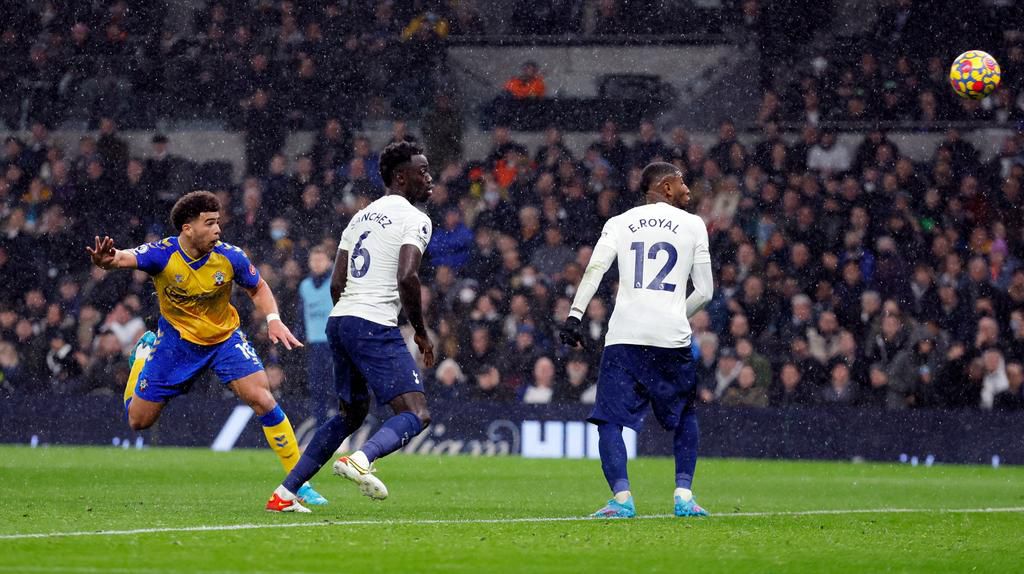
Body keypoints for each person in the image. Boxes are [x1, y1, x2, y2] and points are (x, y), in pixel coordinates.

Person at [86, 191, 326, 505]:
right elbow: (123, 256)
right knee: (139, 421)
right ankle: (143, 357)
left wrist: (273, 319)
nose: (217, 230)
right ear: (187, 228)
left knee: (263, 398)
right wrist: (108, 261)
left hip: (224, 339)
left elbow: (259, 286)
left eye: (218, 222)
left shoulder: (230, 256)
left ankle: (298, 482)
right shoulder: (163, 254)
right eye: (209, 223)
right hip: (177, 344)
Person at [267, 141, 435, 513]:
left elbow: (336, 283)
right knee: (416, 412)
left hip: (340, 320)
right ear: (401, 177)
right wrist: (420, 331)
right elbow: (408, 276)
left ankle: (285, 492)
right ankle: (362, 460)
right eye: (422, 171)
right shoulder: (415, 218)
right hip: (374, 322)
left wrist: (352, 315)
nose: (429, 178)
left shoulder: (359, 217)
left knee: (350, 414)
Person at [560, 161, 713, 519]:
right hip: (671, 338)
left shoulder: (620, 222)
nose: (687, 188)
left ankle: (622, 498)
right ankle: (684, 496)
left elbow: (595, 269)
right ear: (664, 187)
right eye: (681, 181)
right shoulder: (693, 225)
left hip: (625, 336)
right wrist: (675, 311)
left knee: (610, 420)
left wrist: (575, 315)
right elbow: (705, 291)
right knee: (685, 414)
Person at [298, 246, 335, 423]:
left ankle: (341, 429)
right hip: (314, 344)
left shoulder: (336, 282)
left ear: (329, 262)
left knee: (335, 388)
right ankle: (321, 427)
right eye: (314, 260)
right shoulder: (304, 286)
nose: (317, 263)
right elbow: (301, 314)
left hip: (334, 343)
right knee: (317, 389)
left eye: (321, 260)